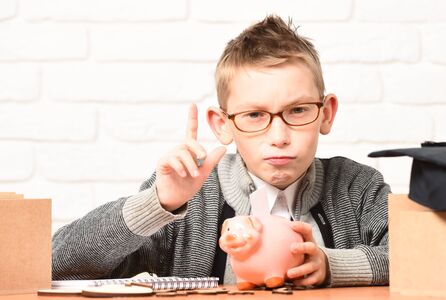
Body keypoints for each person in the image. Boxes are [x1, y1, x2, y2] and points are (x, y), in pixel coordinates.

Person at [52, 15, 389, 288]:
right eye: (254, 115)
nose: (279, 136)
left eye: (298, 110)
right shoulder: (191, 196)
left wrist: (332, 265)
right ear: (222, 124)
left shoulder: (356, 188)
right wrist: (158, 204)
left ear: (326, 113)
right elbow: (57, 264)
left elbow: (429, 258)